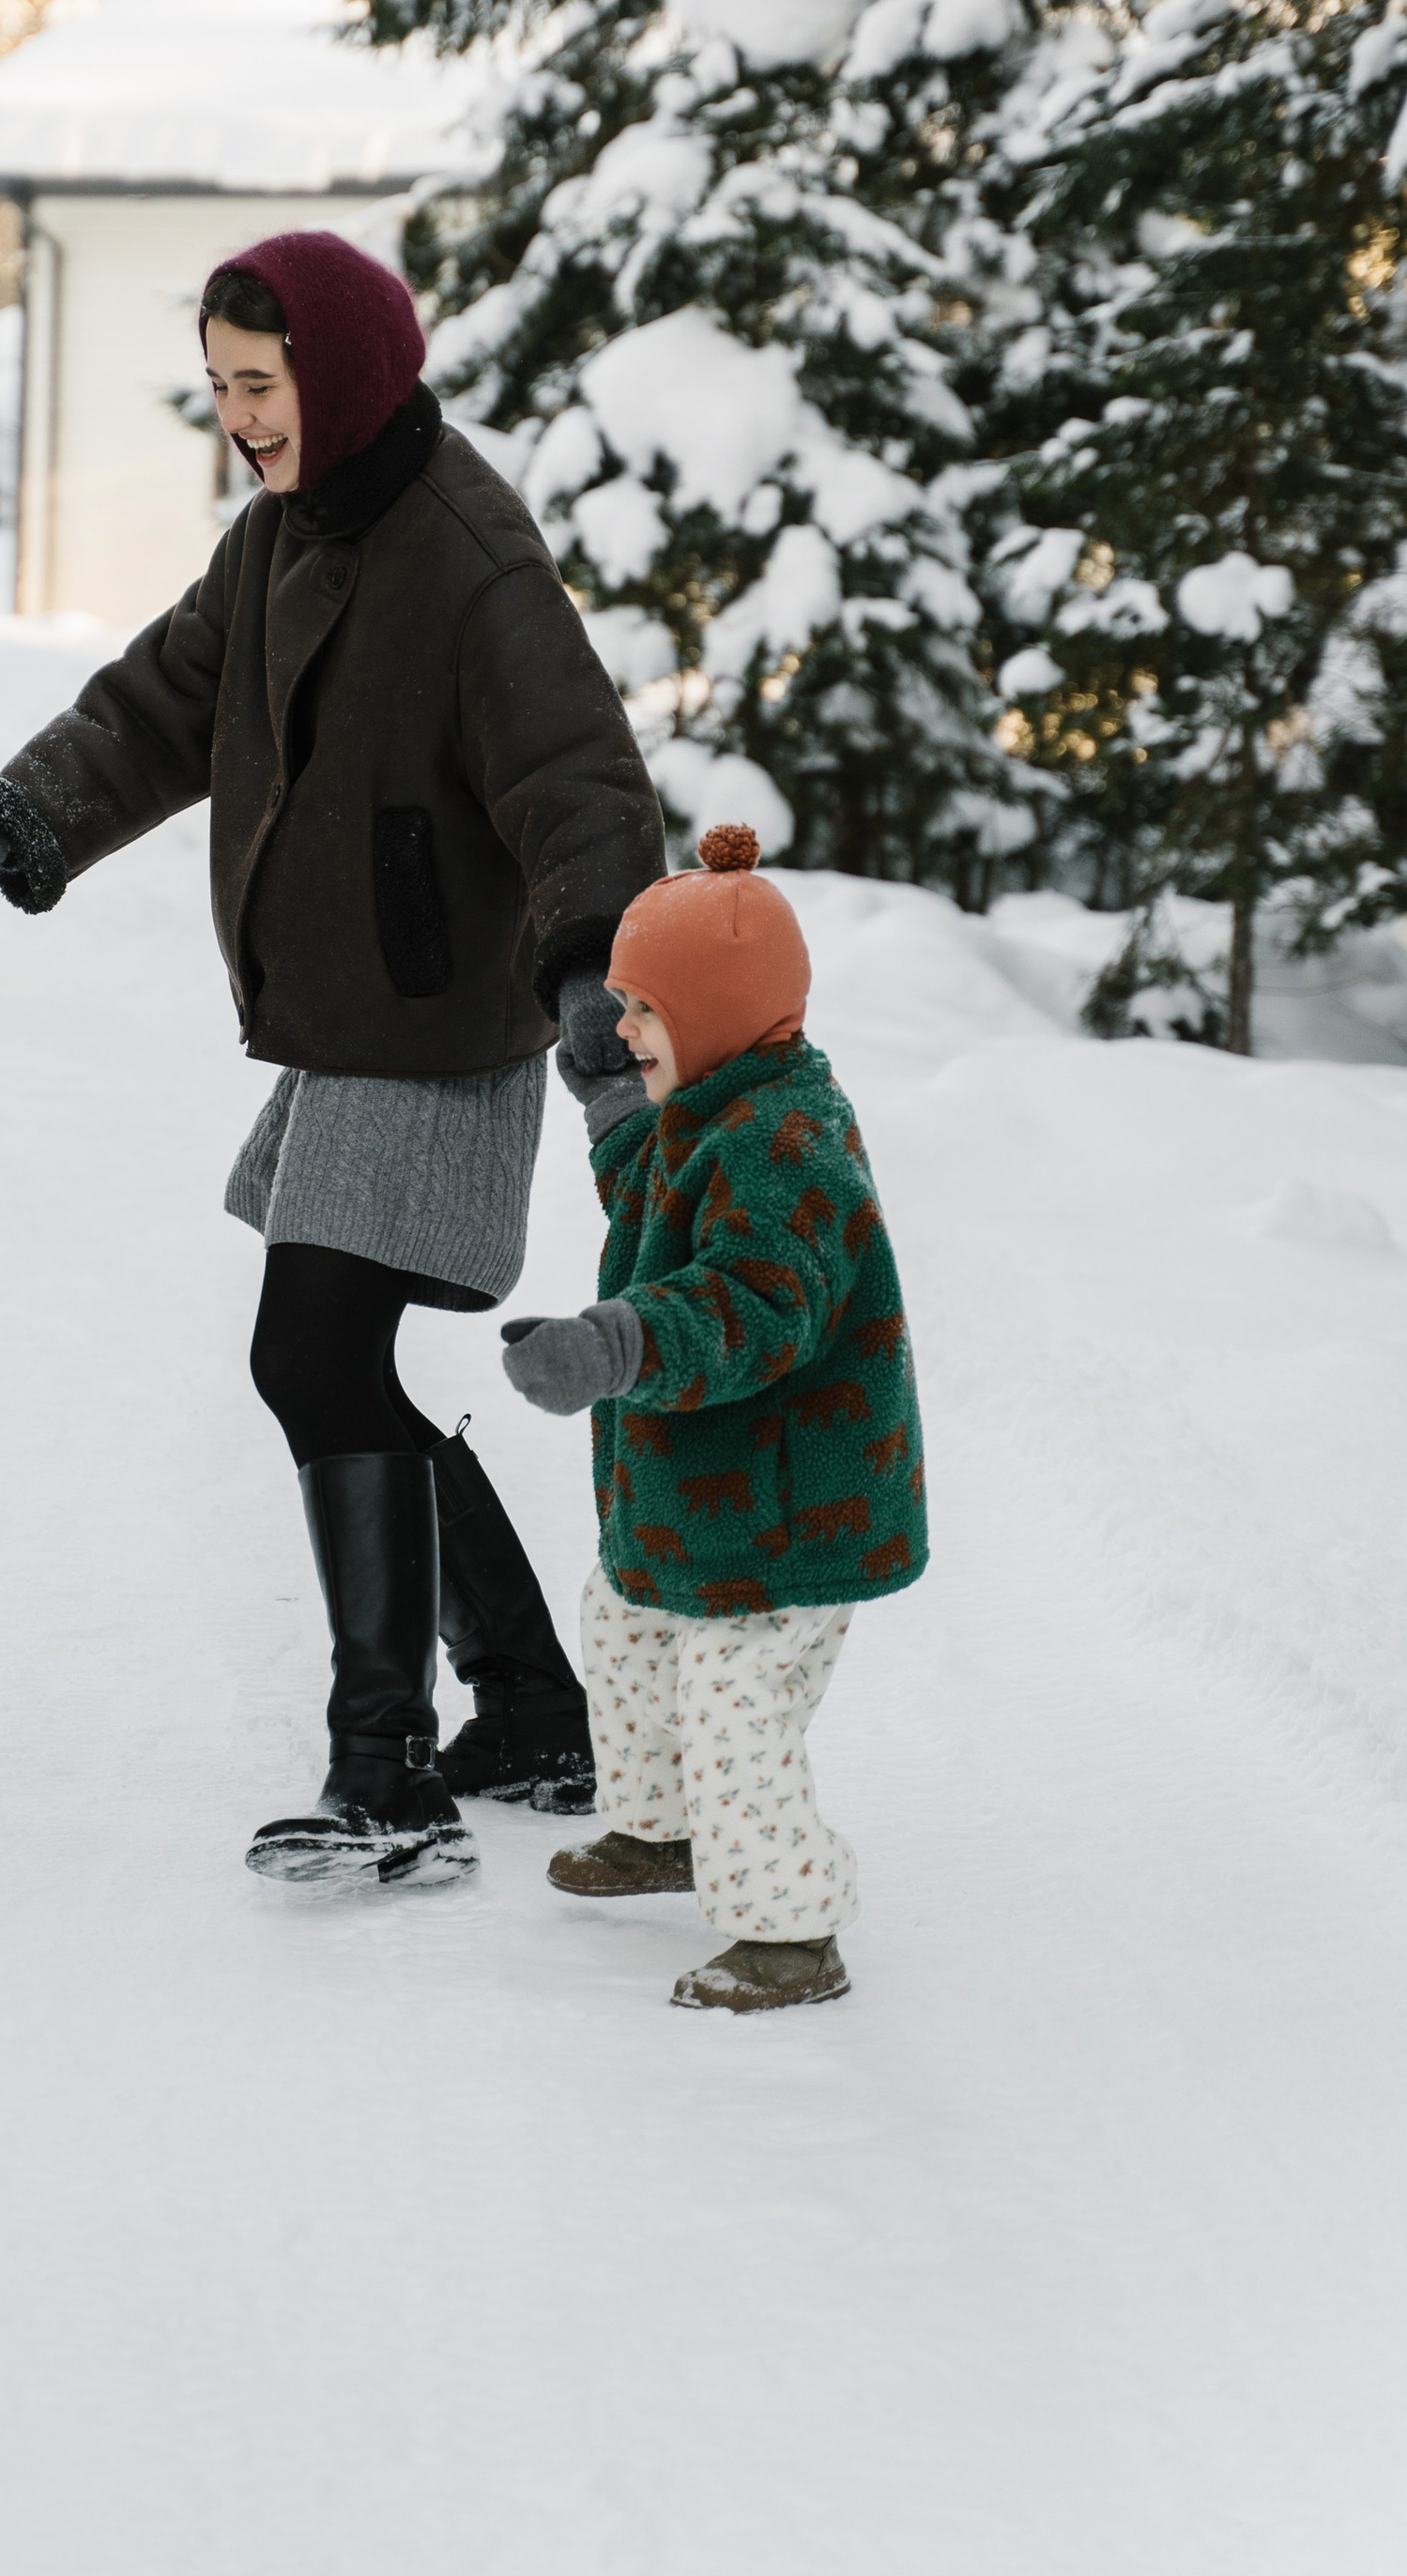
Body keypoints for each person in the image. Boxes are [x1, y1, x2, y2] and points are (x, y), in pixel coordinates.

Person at [0, 231, 664, 1890]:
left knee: (312, 1352)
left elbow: (578, 777)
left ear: (347, 374)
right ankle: (525, 1705)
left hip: (438, 1021)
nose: (236, 417)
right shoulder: (282, 539)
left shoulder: (468, 554)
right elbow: (154, 707)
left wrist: (596, 967)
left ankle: (388, 1774)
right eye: (220, 385)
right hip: (348, 1016)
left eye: (259, 382)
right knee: (336, 1364)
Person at [497, 824, 928, 2009]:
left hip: (792, 1517)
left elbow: (752, 1305)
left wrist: (614, 1343)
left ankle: (791, 1934)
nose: (620, 1028)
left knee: (735, 1706)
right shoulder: (718, 1104)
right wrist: (610, 1106)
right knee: (624, 1624)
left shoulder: (792, 1145)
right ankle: (660, 1831)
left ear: (721, 1012)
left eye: (641, 1009)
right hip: (694, 1508)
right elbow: (654, 1188)